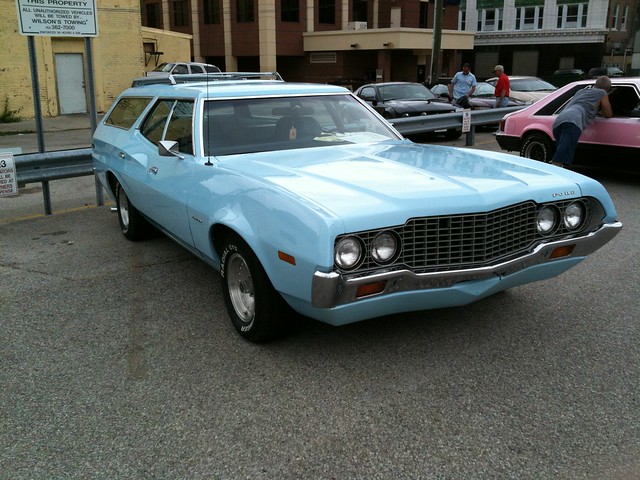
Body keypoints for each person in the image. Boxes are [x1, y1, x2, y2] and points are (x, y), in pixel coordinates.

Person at [551, 76, 613, 167]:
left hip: (559, 119)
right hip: (573, 120)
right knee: (561, 157)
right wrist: (600, 111)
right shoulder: (602, 93)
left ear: (595, 85)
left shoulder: (580, 91)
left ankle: (557, 172)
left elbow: (583, 104)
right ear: (608, 89)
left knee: (562, 150)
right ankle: (556, 175)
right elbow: (608, 113)